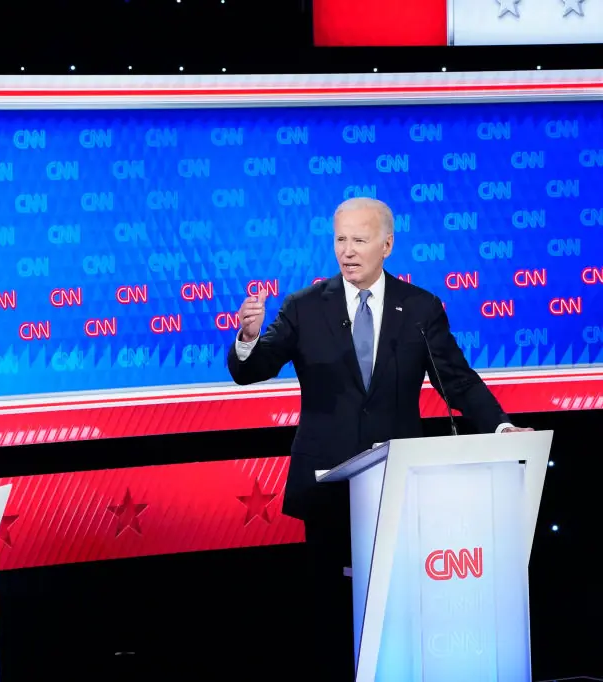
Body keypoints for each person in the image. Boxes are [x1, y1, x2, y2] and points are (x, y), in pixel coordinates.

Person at [226, 197, 531, 678]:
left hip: (399, 485)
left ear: (387, 245)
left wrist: (501, 427)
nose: (347, 251)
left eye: (359, 240)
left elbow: (457, 380)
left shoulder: (421, 308)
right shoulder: (304, 307)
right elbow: (252, 370)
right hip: (327, 485)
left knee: (396, 607)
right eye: (340, 240)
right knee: (331, 612)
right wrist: (247, 338)